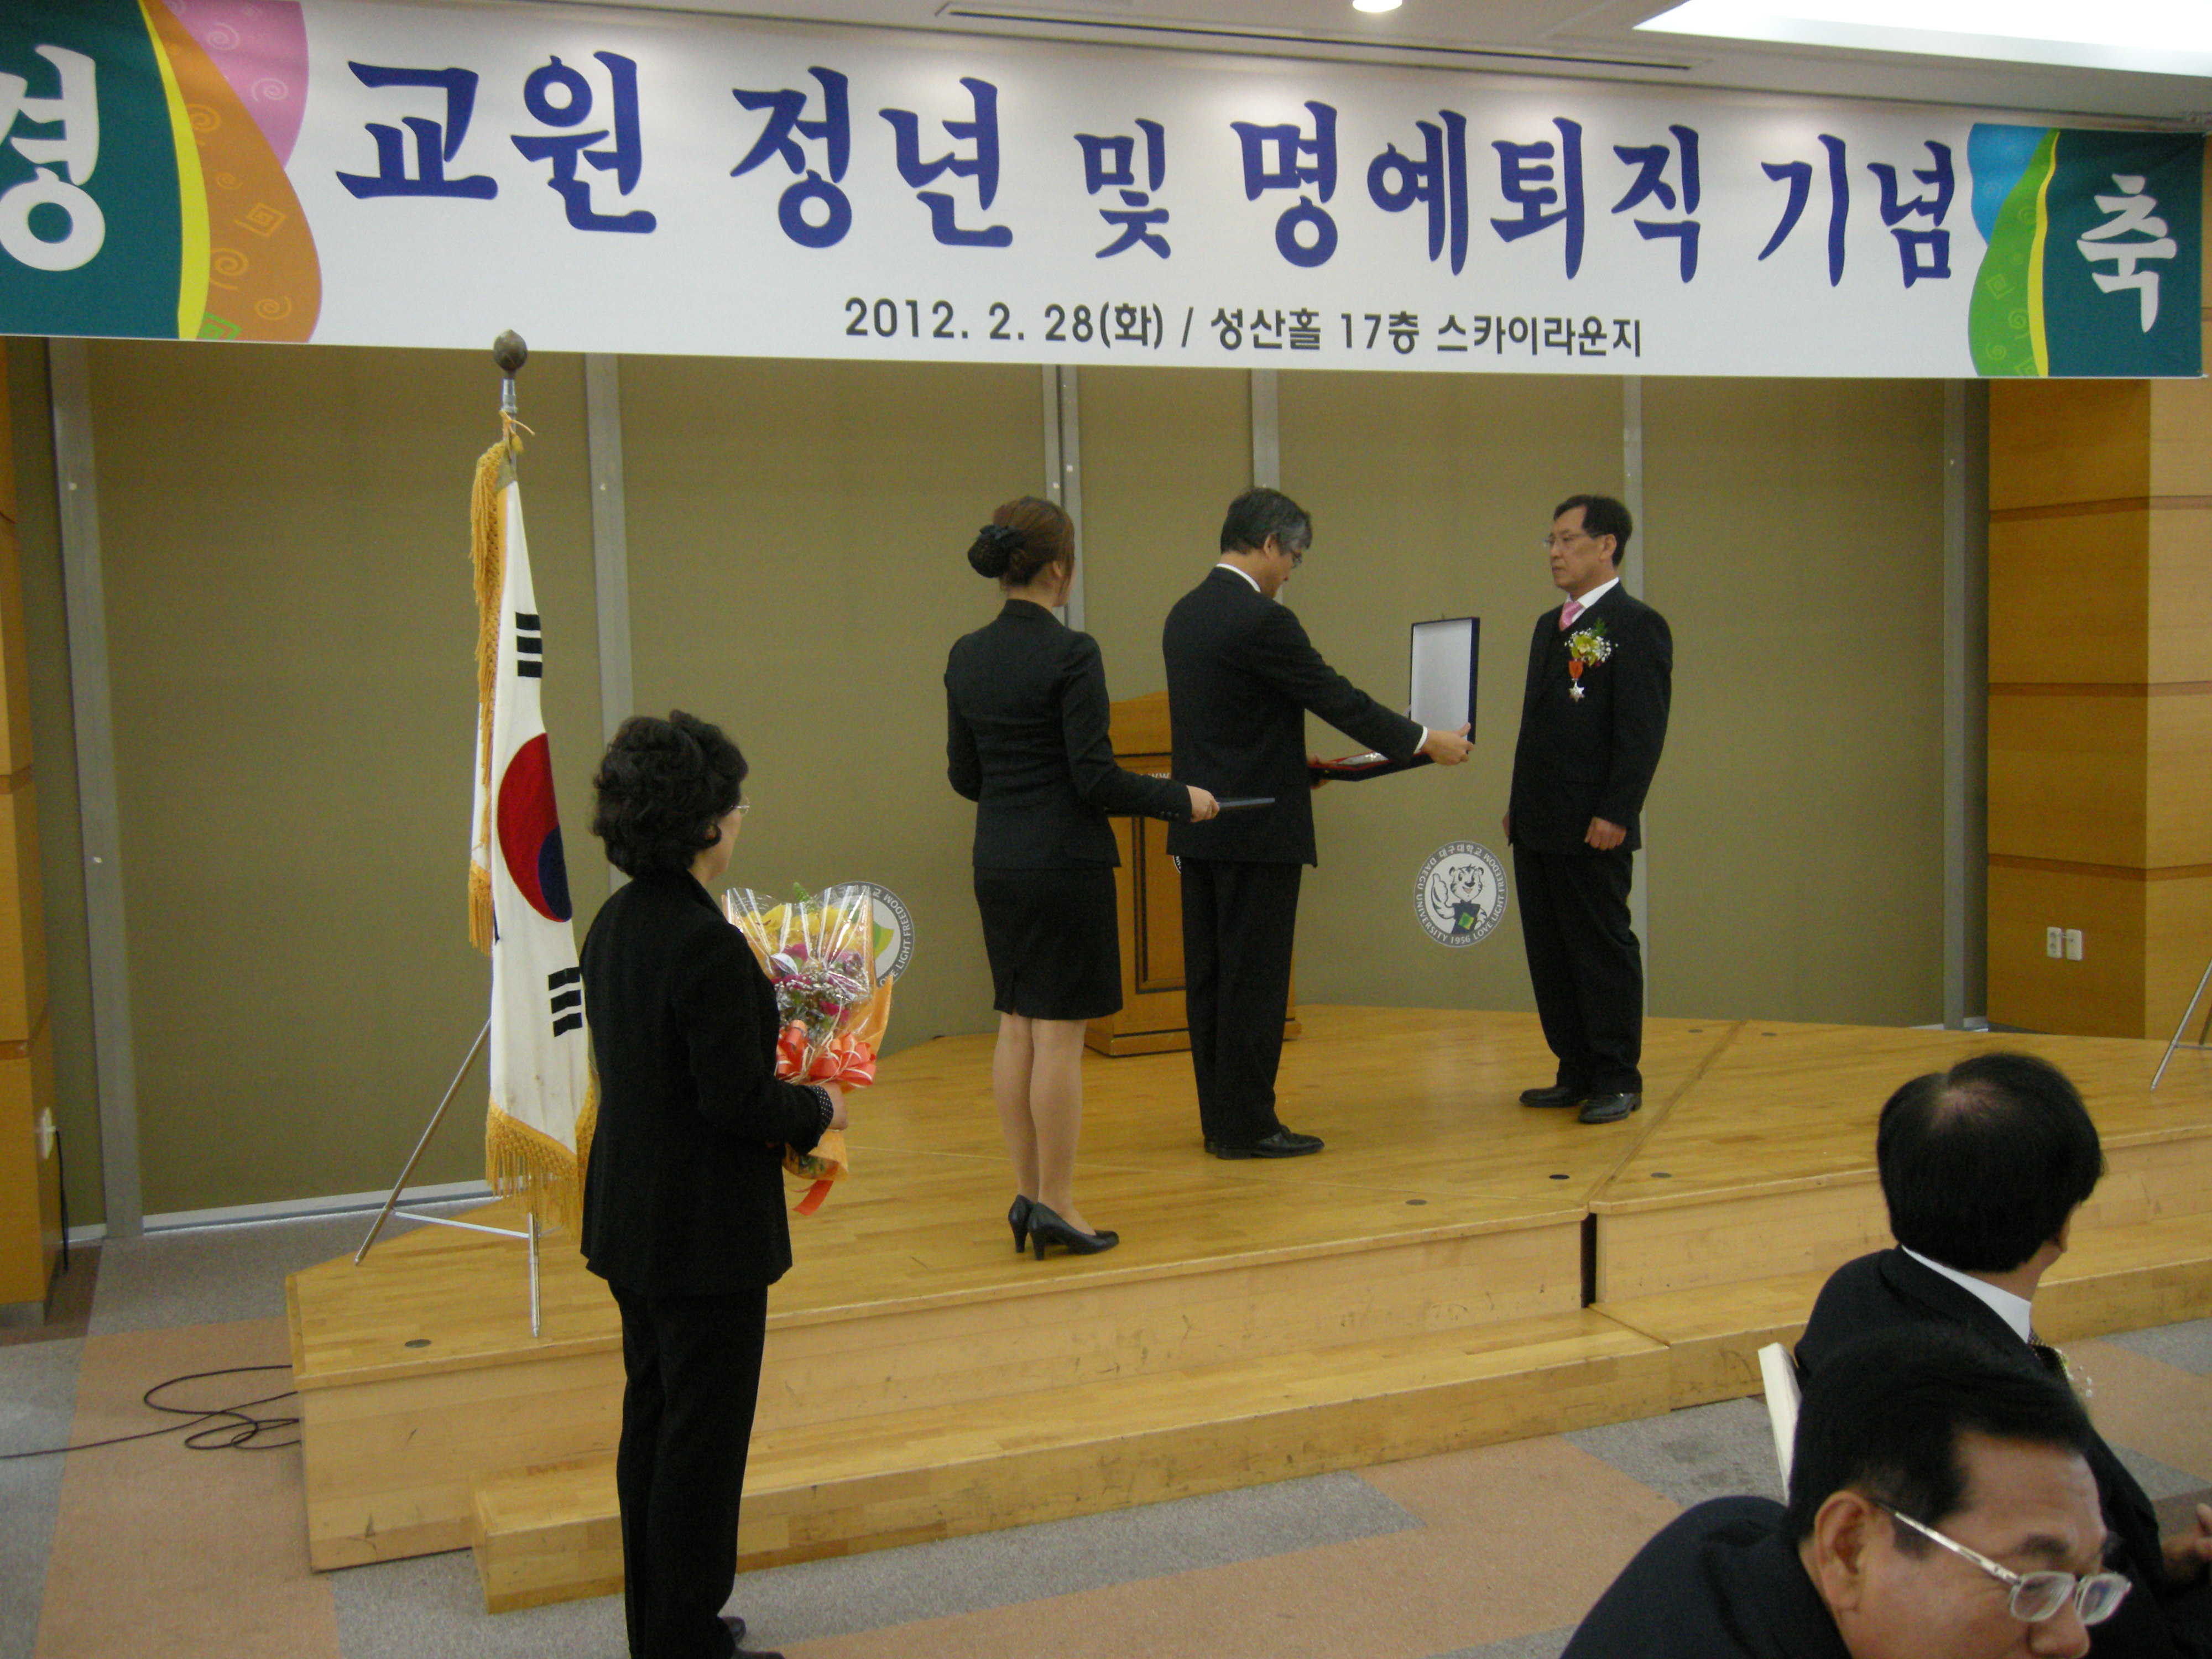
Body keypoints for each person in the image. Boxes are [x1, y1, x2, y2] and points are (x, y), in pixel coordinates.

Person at [579, 711, 846, 1659]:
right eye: (734, 808)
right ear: (704, 826)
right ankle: (686, 1640)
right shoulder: (706, 944)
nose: (740, 820)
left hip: (630, 1218)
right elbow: (735, 1101)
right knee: (702, 1444)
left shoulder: (614, 925)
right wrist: (819, 1108)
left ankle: (661, 1626)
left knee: (655, 1423)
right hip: (703, 1235)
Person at [1797, 1052, 2212, 1657]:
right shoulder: (2001, 1428)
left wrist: (2157, 1566)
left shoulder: (1856, 1288)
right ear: (2061, 1228)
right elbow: (2129, 1646)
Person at [946, 497, 1219, 1255]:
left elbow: (964, 776)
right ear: (1060, 569)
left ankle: (1028, 1195)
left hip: (997, 860)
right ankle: (1059, 1204)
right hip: (1064, 864)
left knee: (1016, 1027)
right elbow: (1095, 779)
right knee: (1060, 1040)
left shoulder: (966, 655)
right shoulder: (1072, 653)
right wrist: (1180, 798)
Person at [1163, 487, 1470, 1159]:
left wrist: (1291, 766)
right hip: (1260, 833)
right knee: (1255, 983)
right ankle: (1250, 1126)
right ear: (1270, 543)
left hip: (1202, 826)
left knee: (1212, 982)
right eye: (1293, 557)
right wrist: (1425, 740)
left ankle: (1222, 1121)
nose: (1290, 572)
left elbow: (1226, 726)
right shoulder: (1263, 619)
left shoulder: (1184, 613)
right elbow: (1336, 698)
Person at [1564, 1324, 2125, 1659]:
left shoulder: (1743, 1533)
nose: (2072, 1640)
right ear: (1849, 1548)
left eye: (2084, 1586)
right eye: (2031, 1585)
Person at [1507, 493, 1672, 1126]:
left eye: (1567, 539)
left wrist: (1617, 811)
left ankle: (1617, 1075)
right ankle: (1573, 1069)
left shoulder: (1635, 625)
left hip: (1594, 824)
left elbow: (1641, 730)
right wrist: (1518, 804)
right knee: (1550, 952)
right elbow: (1538, 727)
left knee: (1599, 949)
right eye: (1550, 540)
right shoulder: (1548, 626)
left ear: (1607, 545)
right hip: (1539, 821)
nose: (1554, 552)